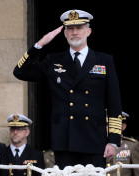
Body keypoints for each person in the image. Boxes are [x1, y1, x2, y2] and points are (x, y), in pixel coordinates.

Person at [13, 9, 122, 169]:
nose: (75, 32)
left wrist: (113, 140)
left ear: (88, 31)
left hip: (94, 138)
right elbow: (20, 72)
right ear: (64, 33)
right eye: (70, 28)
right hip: (65, 139)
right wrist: (40, 44)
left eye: (79, 28)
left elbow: (114, 103)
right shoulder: (54, 60)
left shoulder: (104, 60)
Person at [106, 112, 139, 176]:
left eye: (114, 125)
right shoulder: (95, 145)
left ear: (123, 126)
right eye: (106, 124)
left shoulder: (132, 145)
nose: (108, 127)